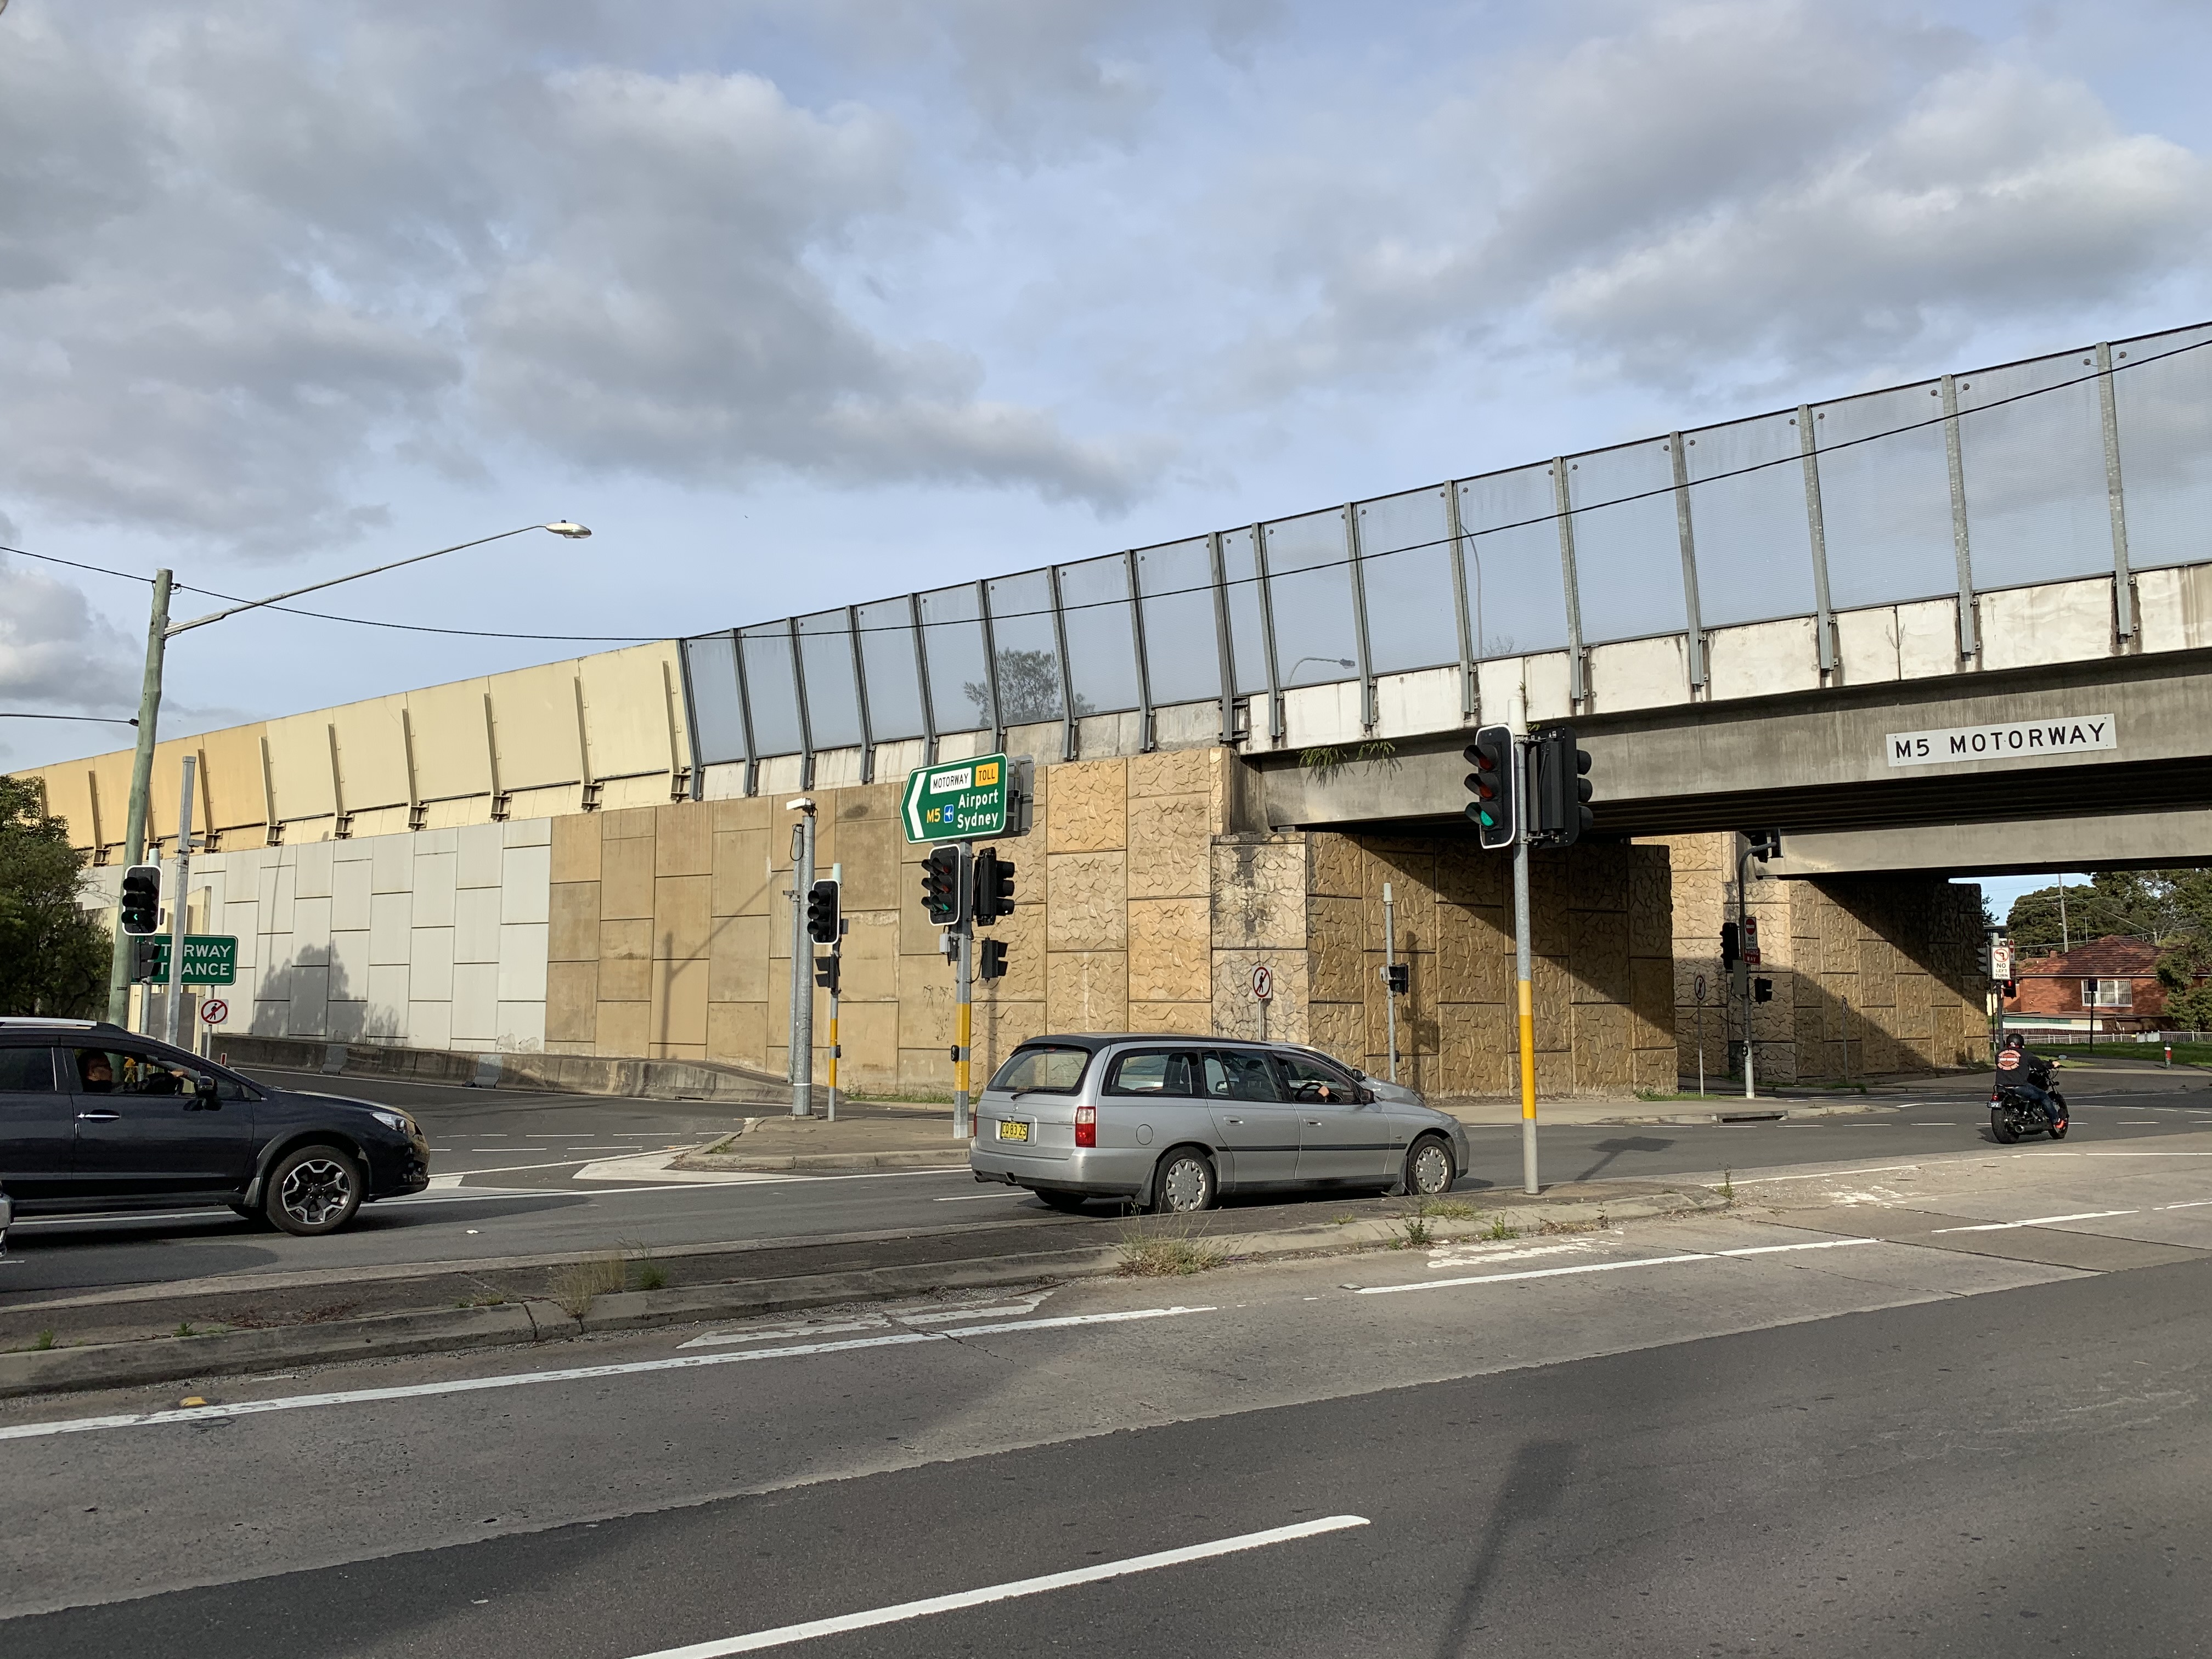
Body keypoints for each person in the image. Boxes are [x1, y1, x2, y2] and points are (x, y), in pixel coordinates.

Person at [1993, 1032, 2062, 1126]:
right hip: (2019, 1086)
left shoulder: (2000, 1054)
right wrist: (2052, 1065)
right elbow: (2040, 1064)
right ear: (2022, 1044)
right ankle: (2057, 1121)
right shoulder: (2025, 1054)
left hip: (2001, 1087)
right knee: (2043, 1096)